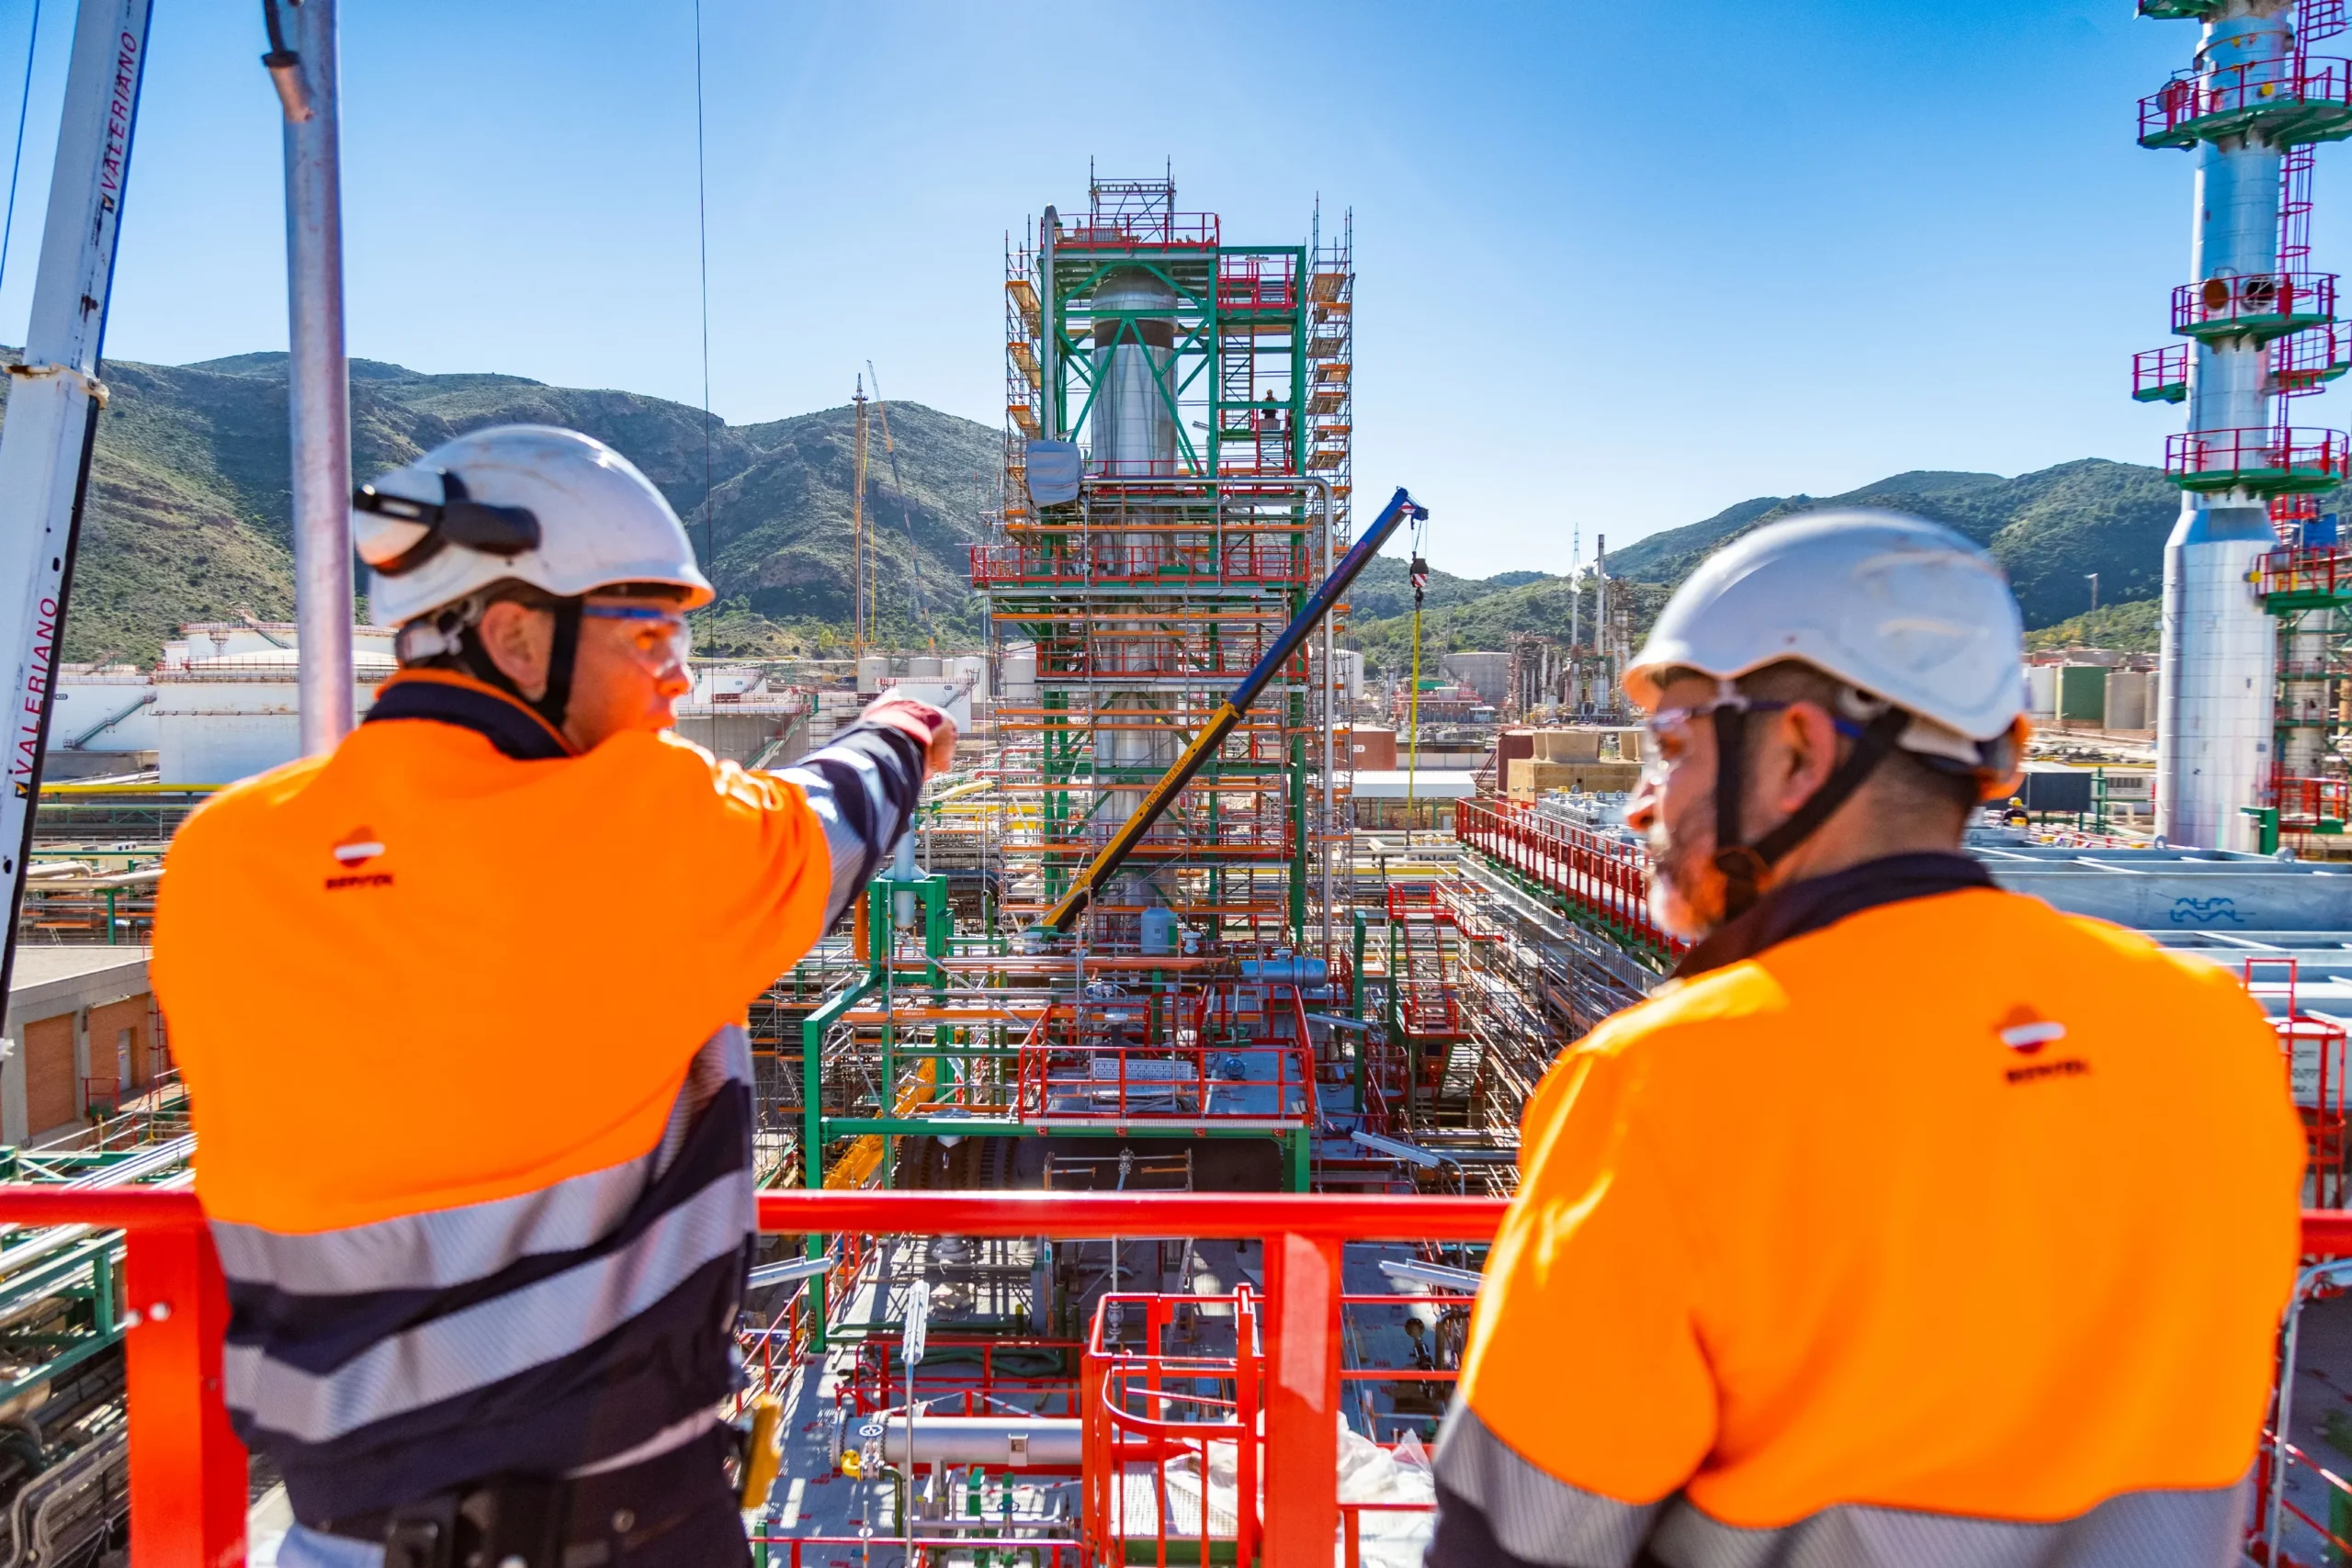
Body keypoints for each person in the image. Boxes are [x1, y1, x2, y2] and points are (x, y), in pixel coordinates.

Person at [1428, 512, 2304, 1567]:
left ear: (1795, 750)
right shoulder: (2211, 1029)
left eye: (1672, 749)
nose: (1640, 810)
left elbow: (1518, 1535)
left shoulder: (1672, 1076)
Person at [152, 425, 956, 1568]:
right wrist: (905, 725)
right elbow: (838, 814)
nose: (680, 677)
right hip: (614, 1533)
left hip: (332, 1537)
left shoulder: (220, 855)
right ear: (516, 637)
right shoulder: (639, 829)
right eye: (651, 634)